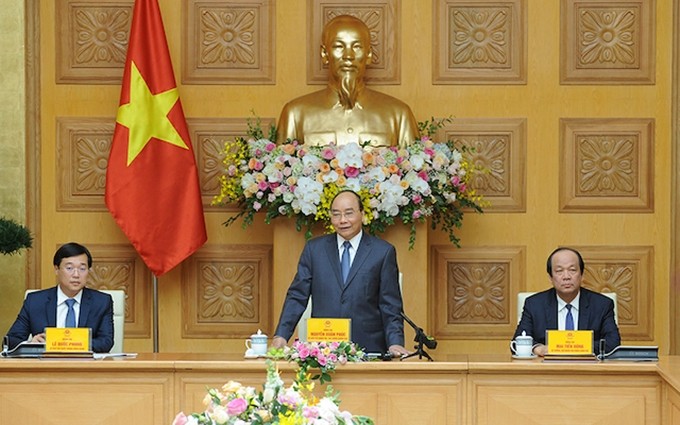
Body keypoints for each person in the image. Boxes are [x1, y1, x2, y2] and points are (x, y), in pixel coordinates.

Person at [271, 190, 409, 356]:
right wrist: (282, 334)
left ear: (362, 214)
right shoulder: (314, 250)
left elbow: (390, 305)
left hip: (369, 350)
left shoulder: (382, 252)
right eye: (336, 214)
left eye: (349, 213)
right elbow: (297, 295)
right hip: (323, 350)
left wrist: (395, 343)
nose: (342, 220)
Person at [276, 15, 419, 149]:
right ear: (325, 54)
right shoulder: (295, 114)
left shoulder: (399, 115)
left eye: (357, 47)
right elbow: (280, 169)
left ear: (368, 55)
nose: (348, 56)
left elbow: (415, 171)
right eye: (339, 46)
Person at [5, 242, 114, 353]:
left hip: (85, 367)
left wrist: (66, 344)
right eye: (69, 268)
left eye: (82, 269)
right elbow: (11, 341)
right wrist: (30, 344)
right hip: (46, 367)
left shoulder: (101, 302)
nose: (76, 275)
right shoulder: (35, 301)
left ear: (88, 271)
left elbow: (106, 342)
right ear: (57, 269)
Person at [513, 247, 621, 357]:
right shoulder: (534, 305)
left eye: (572, 270)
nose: (566, 277)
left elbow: (613, 344)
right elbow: (517, 342)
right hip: (547, 371)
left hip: (588, 371)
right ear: (550, 277)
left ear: (582, 275)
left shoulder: (602, 305)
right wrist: (537, 349)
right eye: (559, 271)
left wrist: (573, 348)